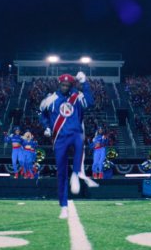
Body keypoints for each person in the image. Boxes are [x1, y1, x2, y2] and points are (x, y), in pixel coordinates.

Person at [39, 72, 97, 219]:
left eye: (68, 85)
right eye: (63, 85)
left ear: (71, 85)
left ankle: (76, 174)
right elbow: (41, 112)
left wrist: (85, 83)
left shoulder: (76, 96)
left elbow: (90, 102)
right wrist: (46, 126)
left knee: (80, 144)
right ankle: (63, 206)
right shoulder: (51, 98)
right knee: (61, 173)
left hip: (74, 133)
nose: (65, 87)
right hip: (59, 138)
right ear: (59, 84)